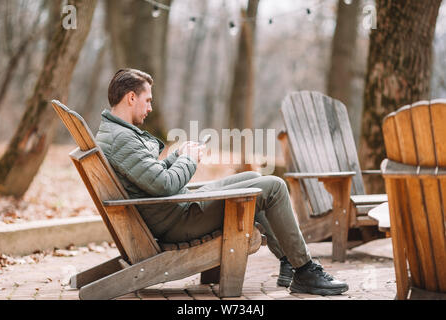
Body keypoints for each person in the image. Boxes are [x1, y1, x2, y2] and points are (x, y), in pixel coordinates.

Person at [95, 68, 349, 296]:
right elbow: (164, 185)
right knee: (275, 186)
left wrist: (178, 155)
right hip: (178, 219)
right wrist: (190, 160)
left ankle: (287, 261)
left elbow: (150, 176)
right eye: (147, 100)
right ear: (131, 98)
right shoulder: (122, 139)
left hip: (172, 209)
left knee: (254, 179)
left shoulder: (116, 133)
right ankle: (304, 269)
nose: (150, 107)